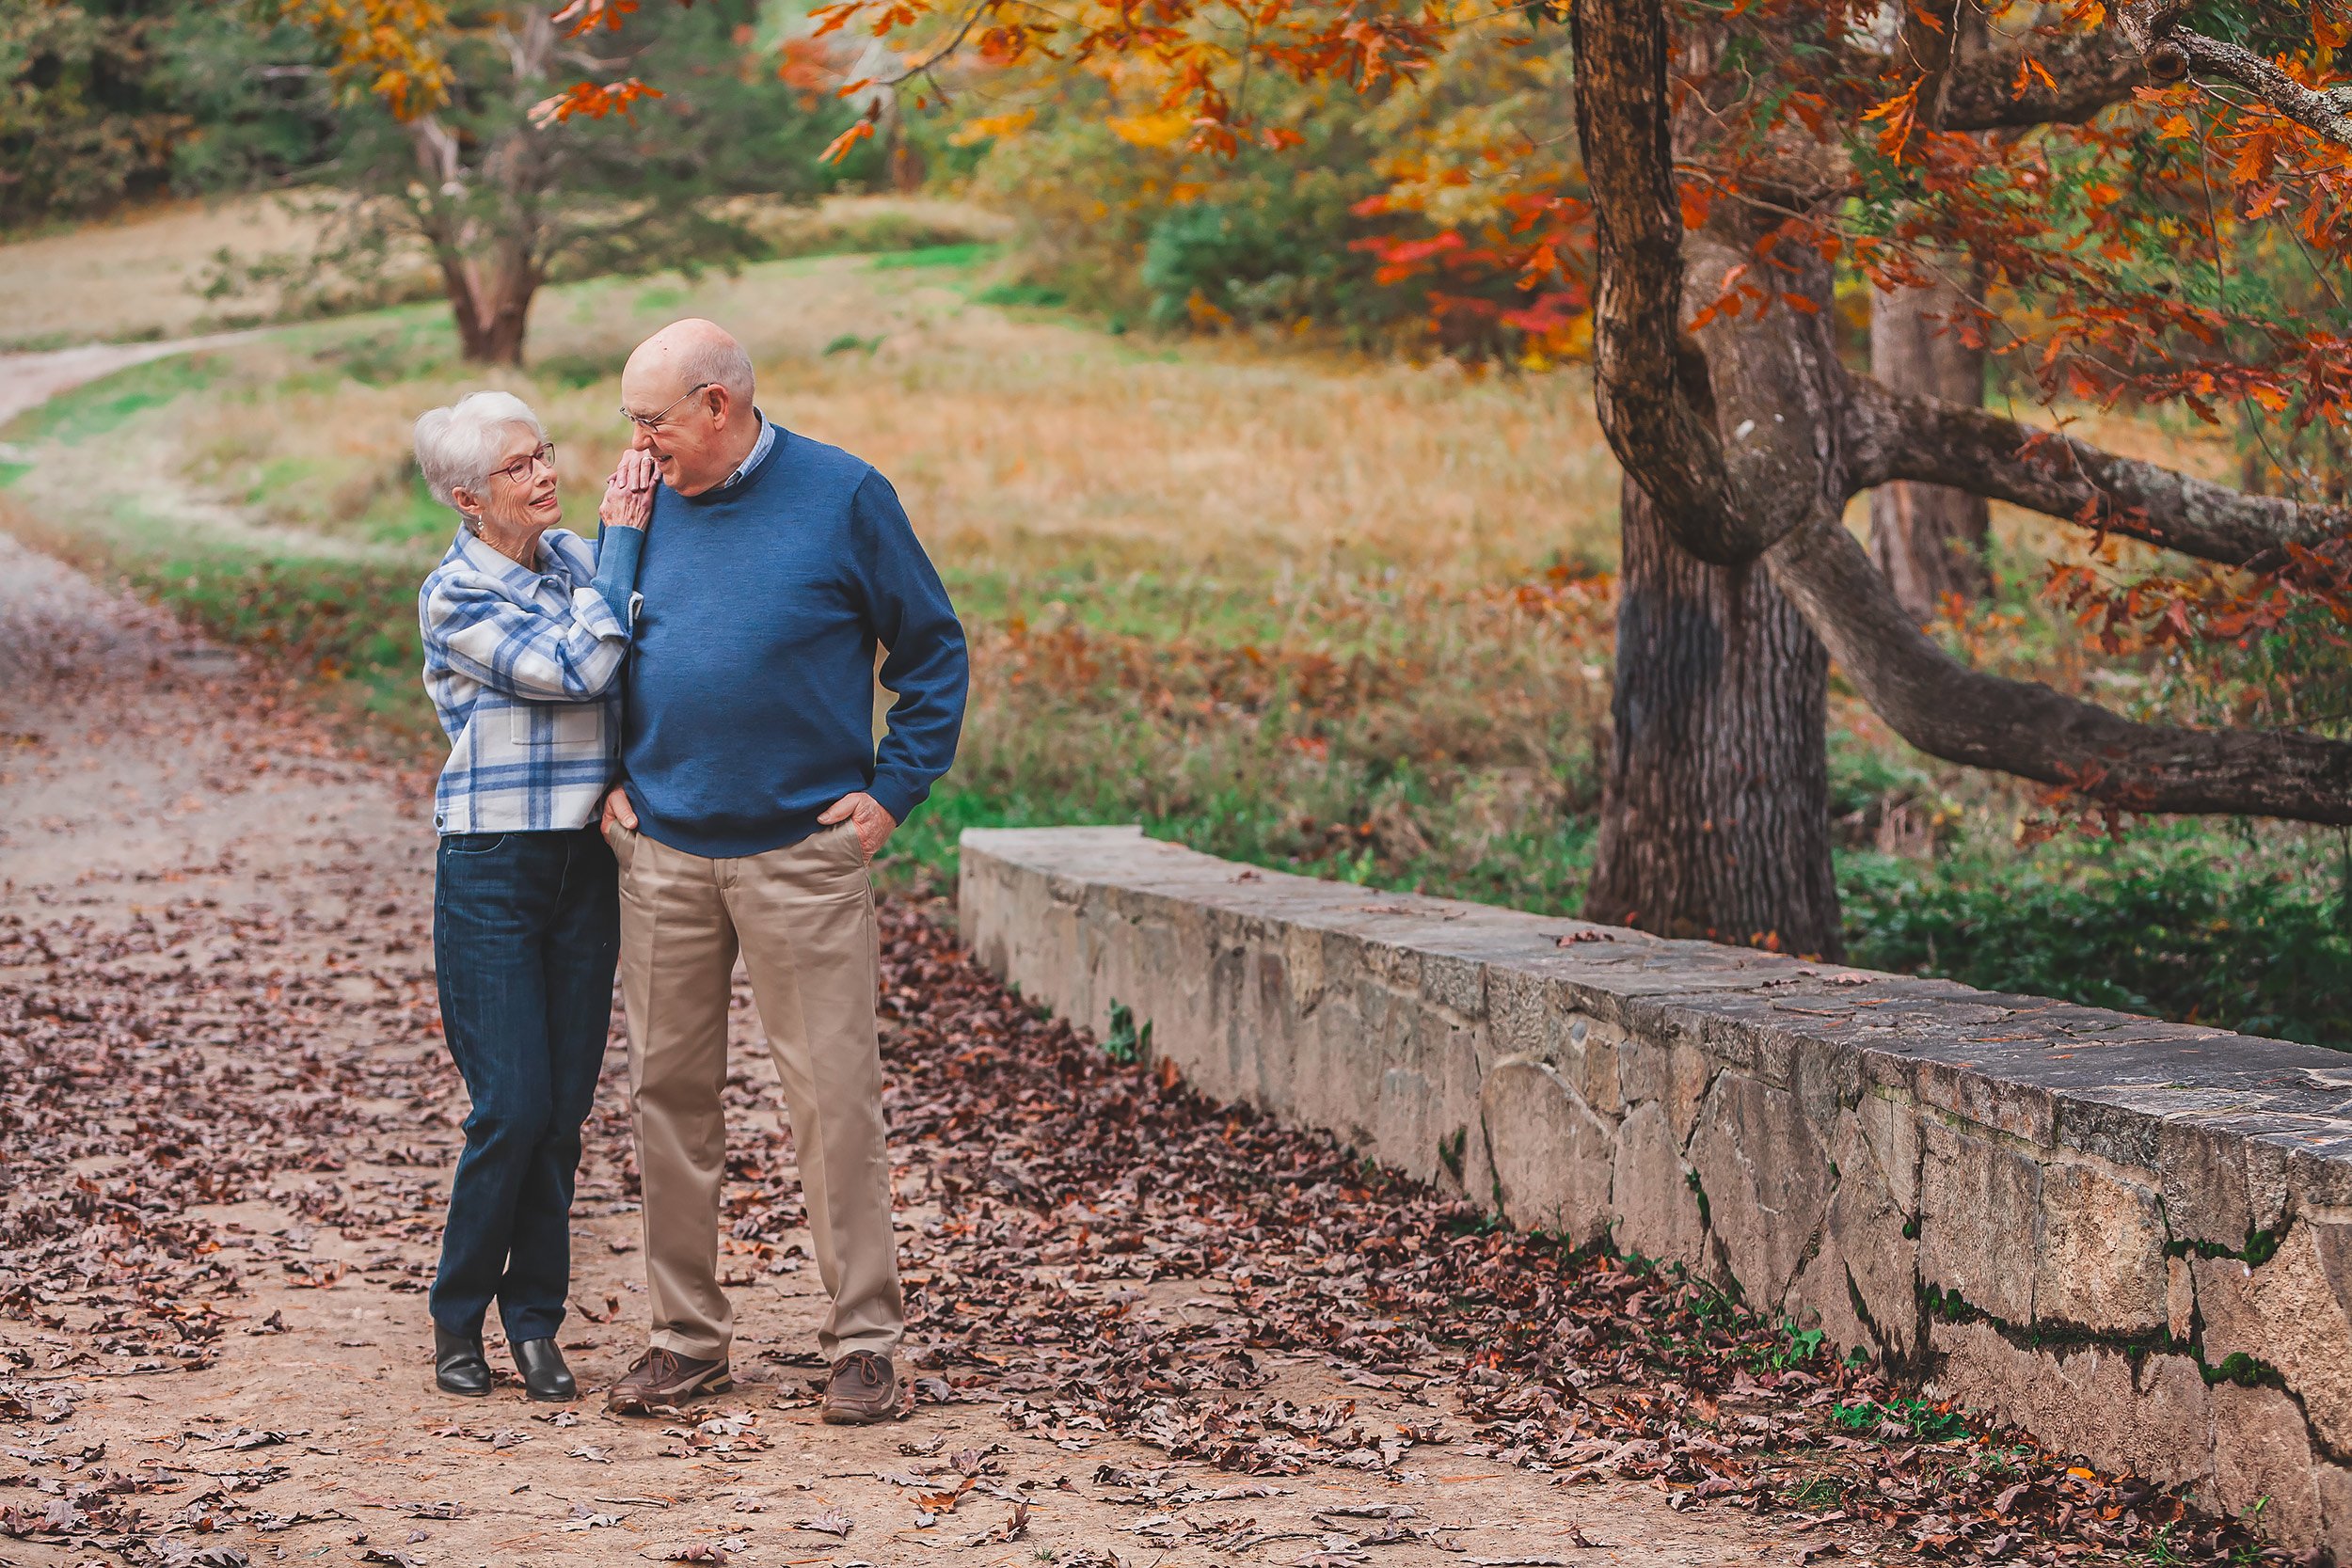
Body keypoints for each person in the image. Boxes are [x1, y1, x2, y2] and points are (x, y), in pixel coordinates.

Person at [597, 320, 967, 1425]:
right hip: (662, 850)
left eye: (653, 420)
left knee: (832, 1102)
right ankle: (683, 1338)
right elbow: (598, 640)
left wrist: (893, 790)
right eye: (630, 421)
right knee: (666, 1099)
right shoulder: (638, 501)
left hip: (803, 854)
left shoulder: (845, 495)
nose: (636, 441)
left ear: (718, 404)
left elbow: (933, 650)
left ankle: (864, 1341)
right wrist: (609, 779)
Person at [413, 390, 658, 1402]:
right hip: (492, 867)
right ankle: (457, 1314)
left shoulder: (575, 566)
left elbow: (641, 676)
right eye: (519, 467)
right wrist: (623, 543)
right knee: (509, 1106)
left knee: (561, 1113)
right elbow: (581, 666)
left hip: (582, 864)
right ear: (468, 496)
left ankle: (537, 1322)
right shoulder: (454, 596)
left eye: (545, 453)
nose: (545, 473)